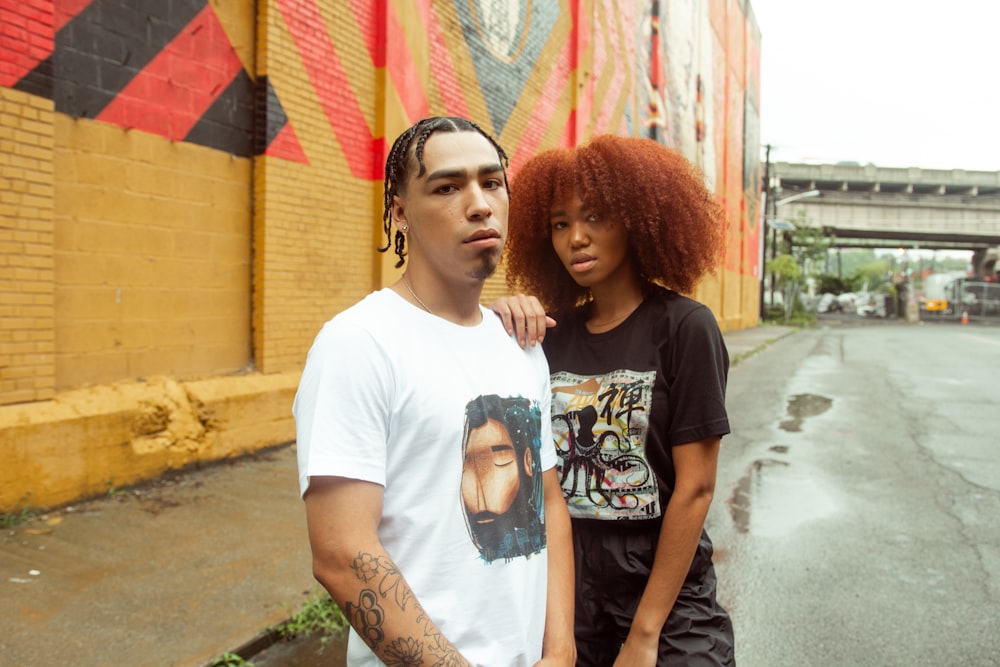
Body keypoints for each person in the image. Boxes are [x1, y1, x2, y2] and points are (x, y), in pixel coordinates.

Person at [293, 117, 575, 667]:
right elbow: (341, 553)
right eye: (447, 187)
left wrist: (561, 650)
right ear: (399, 210)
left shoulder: (520, 344)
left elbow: (549, 505)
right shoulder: (359, 343)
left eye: (492, 183)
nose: (479, 204)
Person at [492, 134, 735, 666]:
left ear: (638, 219)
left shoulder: (685, 328)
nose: (576, 237)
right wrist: (507, 315)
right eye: (559, 223)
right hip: (571, 592)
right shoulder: (549, 338)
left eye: (595, 217)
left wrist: (646, 635)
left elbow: (695, 489)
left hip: (666, 599)